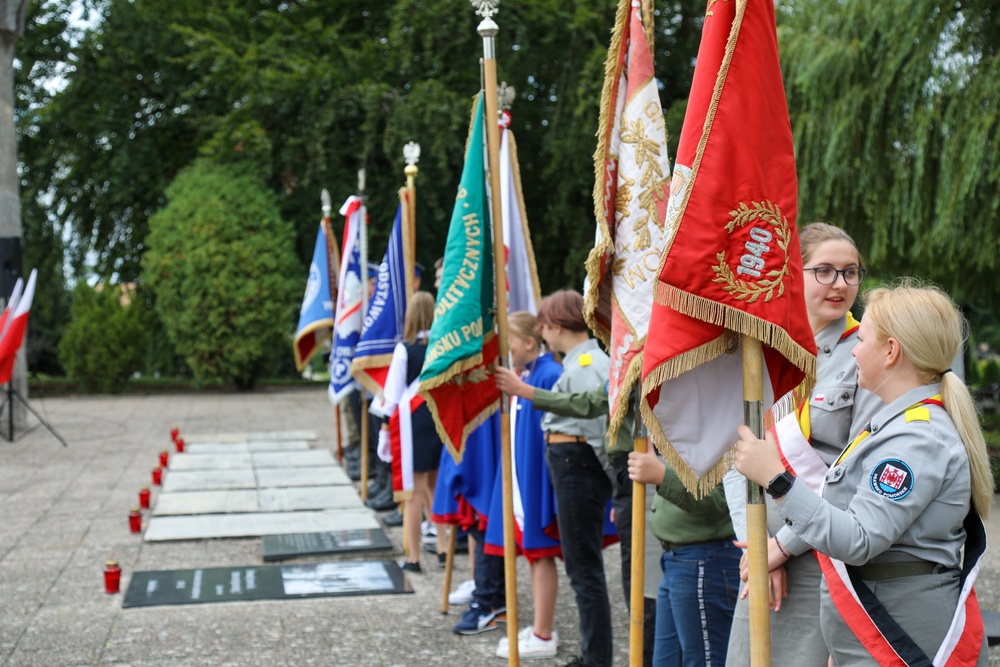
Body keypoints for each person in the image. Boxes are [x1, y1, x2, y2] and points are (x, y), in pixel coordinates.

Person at [735, 281, 992, 665]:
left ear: (891, 352)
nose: (853, 348)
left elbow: (858, 540)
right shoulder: (897, 425)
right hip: (872, 622)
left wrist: (777, 480)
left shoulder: (917, 437)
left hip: (895, 628)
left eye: (863, 338)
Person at [724, 222, 881, 666]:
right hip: (759, 549)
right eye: (825, 271)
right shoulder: (762, 352)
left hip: (823, 555)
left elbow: (854, 474)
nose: (841, 284)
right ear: (795, 272)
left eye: (851, 272)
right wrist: (755, 549)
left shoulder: (865, 356)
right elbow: (734, 453)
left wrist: (782, 548)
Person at [534, 289, 616, 667]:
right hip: (573, 461)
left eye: (543, 324)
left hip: (577, 462)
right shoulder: (578, 360)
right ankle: (592, 654)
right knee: (581, 565)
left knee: (583, 567)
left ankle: (595, 658)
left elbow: (596, 424)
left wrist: (611, 479)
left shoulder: (585, 361)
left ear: (556, 324)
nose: (540, 332)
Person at [486, 312, 564, 659]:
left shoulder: (548, 374)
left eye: (511, 342)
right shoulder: (528, 373)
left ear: (530, 342)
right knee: (533, 555)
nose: (506, 349)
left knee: (541, 552)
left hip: (538, 480)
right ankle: (538, 629)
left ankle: (543, 634)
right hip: (523, 479)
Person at [376, 291, 446, 573]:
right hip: (438, 419)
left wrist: (383, 428)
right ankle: (443, 548)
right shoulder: (443, 346)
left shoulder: (405, 349)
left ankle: (413, 557)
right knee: (435, 488)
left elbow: (392, 395)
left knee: (413, 493)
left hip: (413, 422)